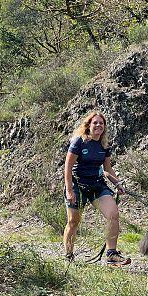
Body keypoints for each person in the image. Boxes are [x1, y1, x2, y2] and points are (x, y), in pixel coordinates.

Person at [63, 111, 131, 265]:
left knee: (113, 214)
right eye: (95, 122)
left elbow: (107, 168)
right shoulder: (79, 142)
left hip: (96, 185)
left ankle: (111, 254)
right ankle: (69, 255)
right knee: (73, 221)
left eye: (101, 123)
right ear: (88, 125)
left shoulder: (104, 145)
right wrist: (69, 190)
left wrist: (118, 183)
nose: (99, 125)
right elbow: (67, 167)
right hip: (77, 185)